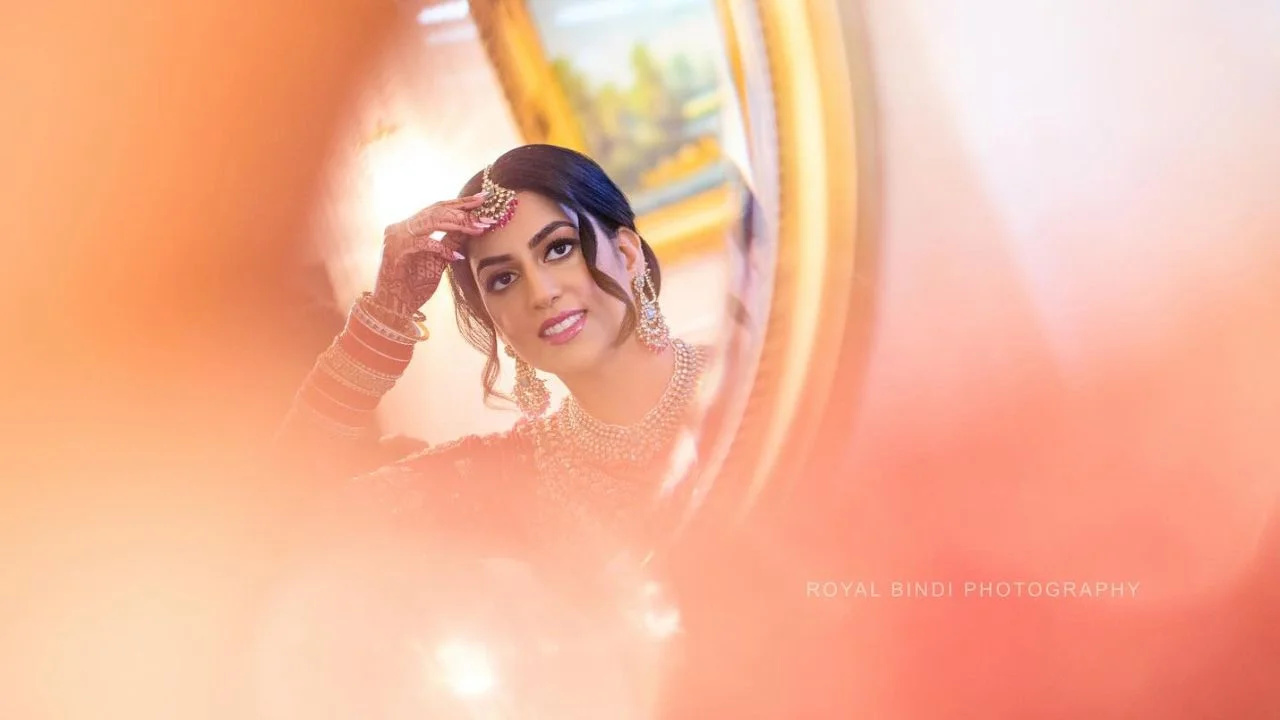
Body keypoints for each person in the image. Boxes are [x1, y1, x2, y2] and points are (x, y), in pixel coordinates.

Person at [275, 143, 712, 569]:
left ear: (627, 253)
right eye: (504, 279)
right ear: (493, 320)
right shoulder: (512, 478)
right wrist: (386, 317)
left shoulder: (748, 376)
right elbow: (285, 516)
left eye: (559, 249)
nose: (541, 293)